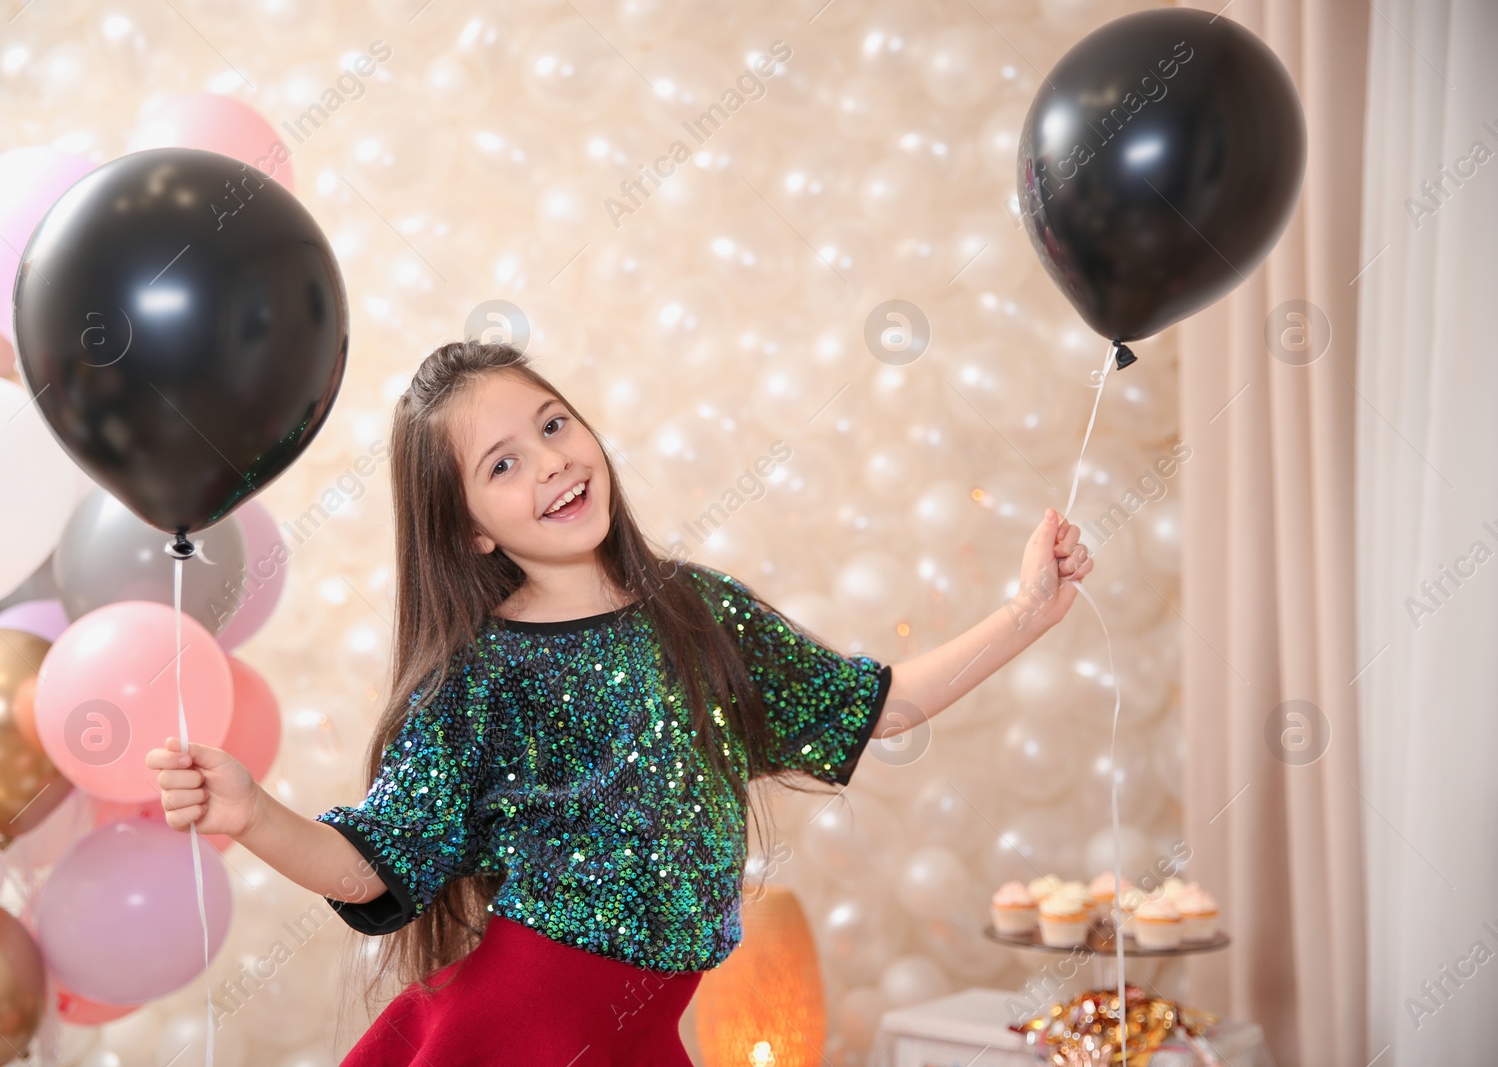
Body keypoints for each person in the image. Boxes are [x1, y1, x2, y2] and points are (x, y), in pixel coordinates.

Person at [147, 340, 1093, 1065]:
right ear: (470, 531)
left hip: (645, 1032)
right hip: (524, 1031)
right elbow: (371, 866)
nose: (551, 463)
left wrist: (1026, 613)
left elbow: (872, 709)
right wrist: (251, 814)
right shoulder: (480, 677)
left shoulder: (701, 612)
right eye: (502, 465)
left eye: (554, 426)